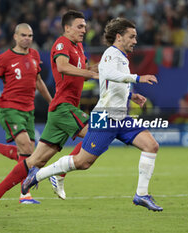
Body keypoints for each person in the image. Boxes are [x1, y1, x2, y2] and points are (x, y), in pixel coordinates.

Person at [22, 17, 163, 212]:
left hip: (121, 117)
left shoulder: (121, 56)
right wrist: (138, 77)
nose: (135, 41)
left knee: (151, 145)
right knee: (82, 162)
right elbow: (110, 75)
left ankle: (141, 195)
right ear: (119, 37)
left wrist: (131, 95)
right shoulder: (110, 54)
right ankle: (38, 175)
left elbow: (113, 84)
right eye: (132, 37)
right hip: (105, 117)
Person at [0, 10, 99, 219]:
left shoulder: (78, 47)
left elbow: (87, 68)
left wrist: (104, 67)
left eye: (85, 26)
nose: (84, 30)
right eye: (80, 26)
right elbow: (63, 67)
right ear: (67, 27)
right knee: (97, 133)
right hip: (64, 107)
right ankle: (60, 173)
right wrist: (91, 73)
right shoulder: (61, 43)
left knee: (34, 160)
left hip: (59, 109)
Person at [0, 23, 52, 205]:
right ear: (15, 36)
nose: (27, 38)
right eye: (23, 35)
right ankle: (22, 193)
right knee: (27, 148)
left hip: (28, 110)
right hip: (9, 108)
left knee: (28, 155)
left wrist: (52, 102)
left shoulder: (34, 55)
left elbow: (39, 81)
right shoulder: (4, 58)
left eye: (30, 35)